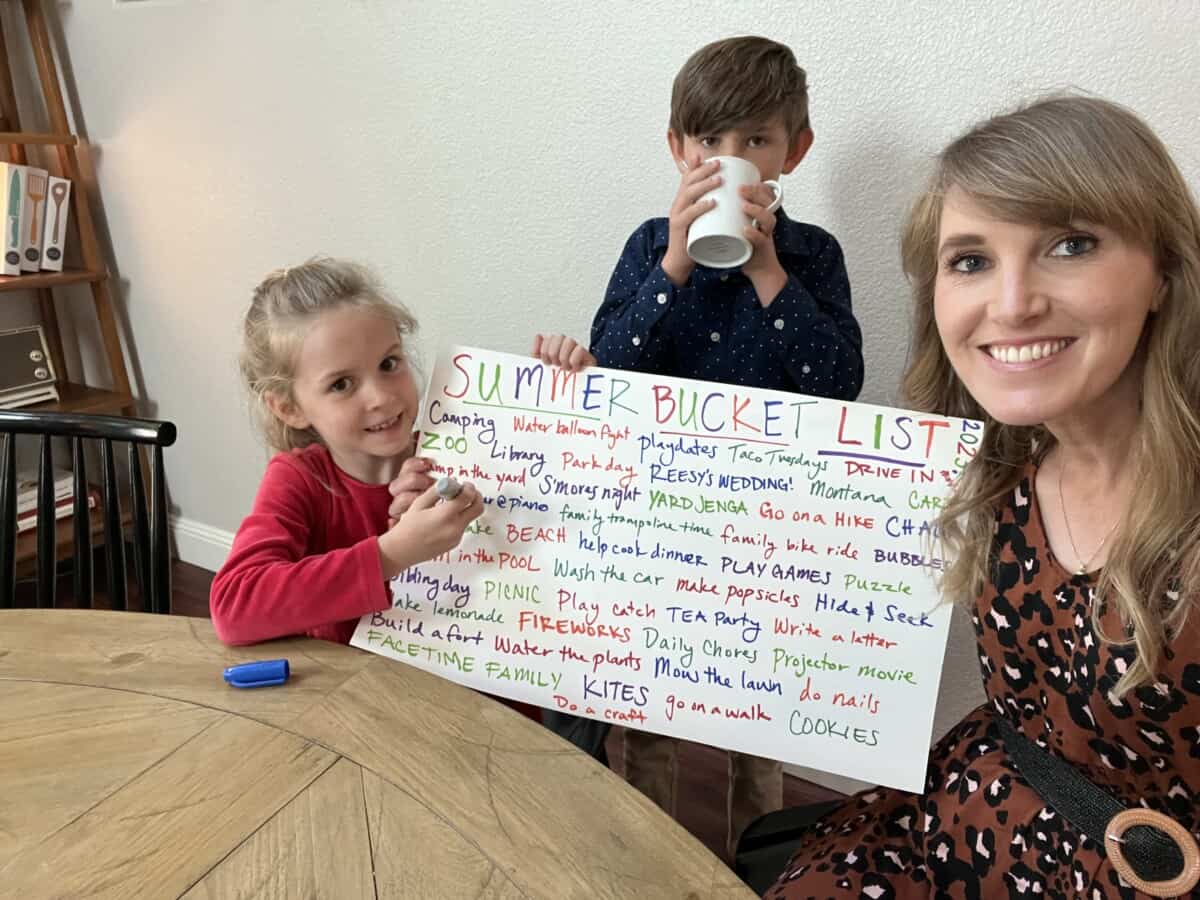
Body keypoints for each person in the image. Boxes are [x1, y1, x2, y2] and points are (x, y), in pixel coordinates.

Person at [767, 95, 1200, 899]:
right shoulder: (996, 471)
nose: (1010, 305)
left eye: (1070, 244)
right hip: (959, 827)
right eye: (970, 260)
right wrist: (578, 411)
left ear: (1165, 273)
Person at [533, 35, 864, 859]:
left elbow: (840, 386)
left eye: (754, 139)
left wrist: (767, 272)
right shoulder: (651, 245)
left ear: (794, 150)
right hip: (661, 516)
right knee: (651, 709)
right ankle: (653, 855)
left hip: (769, 526)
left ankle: (754, 860)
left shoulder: (813, 255)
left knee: (761, 719)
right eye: (709, 142)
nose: (730, 158)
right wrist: (678, 262)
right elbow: (610, 368)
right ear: (678, 149)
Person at [210, 259, 540, 720]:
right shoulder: (302, 478)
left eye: (389, 364)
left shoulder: (466, 452)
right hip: (364, 719)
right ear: (288, 407)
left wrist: (563, 394)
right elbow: (234, 606)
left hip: (487, 713)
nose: (381, 396)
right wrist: (392, 553)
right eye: (342, 384)